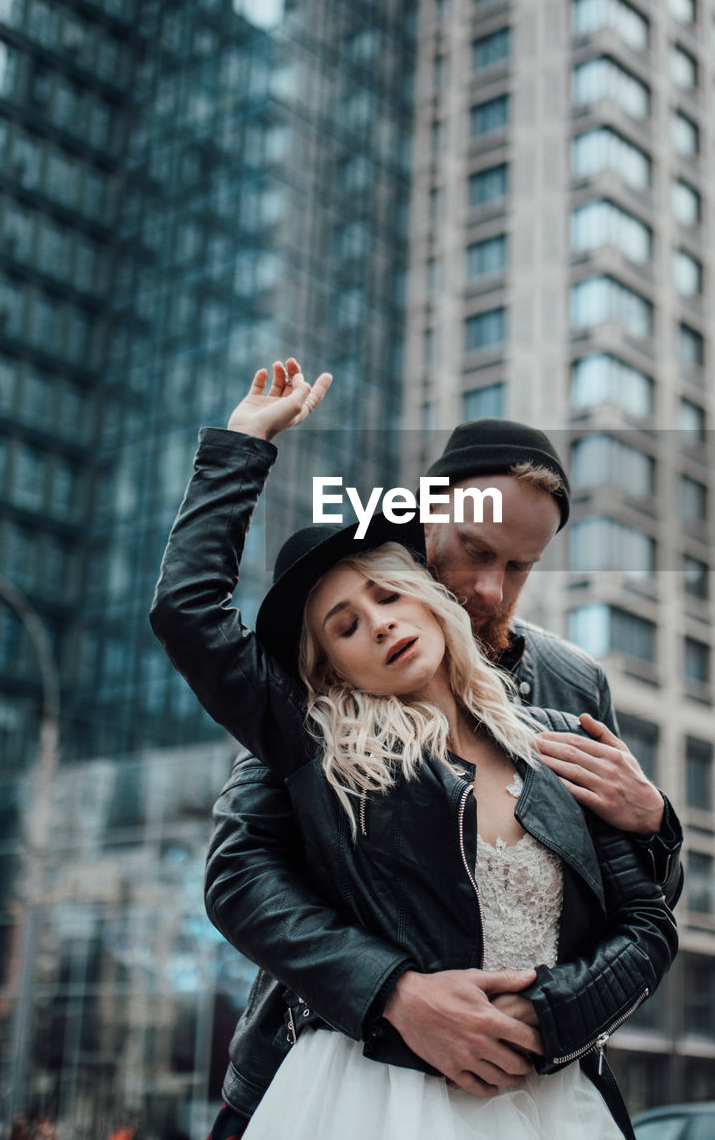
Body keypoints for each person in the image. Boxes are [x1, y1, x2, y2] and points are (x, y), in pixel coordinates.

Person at [151, 362, 679, 1140]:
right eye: (472, 549)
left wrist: (655, 825)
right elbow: (242, 874)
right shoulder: (319, 713)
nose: (492, 590)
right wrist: (392, 994)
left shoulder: (568, 693)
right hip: (340, 1063)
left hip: (547, 1090)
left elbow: (635, 907)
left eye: (519, 567)